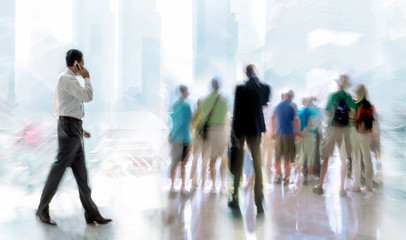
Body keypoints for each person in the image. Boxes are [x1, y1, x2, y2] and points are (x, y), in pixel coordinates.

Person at [37, 49, 111, 225]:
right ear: (77, 62)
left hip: (73, 128)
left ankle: (91, 213)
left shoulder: (68, 81)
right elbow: (88, 96)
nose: (84, 66)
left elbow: (63, 107)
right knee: (58, 170)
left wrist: (79, 127)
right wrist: (87, 77)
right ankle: (42, 209)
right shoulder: (67, 79)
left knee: (82, 176)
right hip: (69, 129)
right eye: (82, 63)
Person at [228, 64, 271, 214]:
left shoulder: (240, 89)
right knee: (258, 165)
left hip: (240, 130)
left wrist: (232, 135)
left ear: (245, 73)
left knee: (238, 164)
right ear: (256, 72)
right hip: (256, 130)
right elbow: (264, 103)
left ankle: (234, 198)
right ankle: (259, 201)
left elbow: (236, 112)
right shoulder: (265, 87)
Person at [313, 74, 356, 197]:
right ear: (346, 86)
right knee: (343, 160)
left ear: (338, 84)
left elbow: (327, 113)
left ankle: (320, 185)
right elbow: (353, 115)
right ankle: (342, 189)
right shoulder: (349, 98)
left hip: (333, 129)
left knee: (326, 158)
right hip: (345, 130)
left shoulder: (332, 96)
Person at [199, 78, 228, 193]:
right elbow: (225, 117)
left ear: (211, 86)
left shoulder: (205, 100)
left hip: (210, 132)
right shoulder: (224, 100)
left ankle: (213, 185)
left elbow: (202, 117)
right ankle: (222, 185)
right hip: (221, 132)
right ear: (219, 86)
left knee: (212, 160)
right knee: (223, 159)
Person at [350, 84, 376, 192]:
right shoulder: (370, 105)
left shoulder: (354, 105)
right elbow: (371, 121)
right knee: (367, 158)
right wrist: (372, 132)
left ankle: (356, 185)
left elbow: (350, 120)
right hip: (365, 134)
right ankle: (369, 184)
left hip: (354, 133)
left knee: (356, 159)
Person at [271, 90, 299, 184]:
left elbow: (272, 118)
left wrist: (273, 132)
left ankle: (277, 175)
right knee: (287, 156)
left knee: (277, 156)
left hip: (278, 133)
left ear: (286, 96)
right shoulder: (293, 105)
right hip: (288, 134)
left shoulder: (278, 105)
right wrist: (296, 132)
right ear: (292, 97)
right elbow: (296, 120)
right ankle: (286, 178)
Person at [169, 85, 192, 194]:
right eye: (187, 91)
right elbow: (190, 122)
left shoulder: (174, 105)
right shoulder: (186, 106)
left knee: (173, 163)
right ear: (184, 92)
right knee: (183, 164)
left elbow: (171, 120)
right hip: (184, 138)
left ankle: (172, 186)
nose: (188, 93)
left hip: (174, 138)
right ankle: (183, 187)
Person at [297, 97, 317, 182]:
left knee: (301, 154)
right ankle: (310, 174)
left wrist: (300, 134)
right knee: (310, 156)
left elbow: (296, 123)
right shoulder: (311, 112)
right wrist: (306, 132)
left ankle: (298, 174)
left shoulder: (299, 112)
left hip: (300, 136)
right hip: (309, 135)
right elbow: (311, 124)